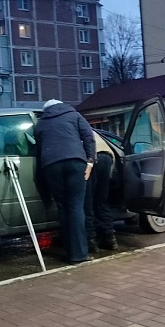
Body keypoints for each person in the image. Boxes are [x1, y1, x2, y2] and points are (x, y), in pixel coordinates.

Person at [35, 99, 95, 264]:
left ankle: (69, 253)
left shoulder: (40, 124)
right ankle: (79, 254)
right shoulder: (74, 115)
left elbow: (38, 149)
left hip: (51, 166)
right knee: (76, 206)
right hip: (75, 162)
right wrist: (90, 161)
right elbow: (88, 137)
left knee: (63, 208)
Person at [85, 130, 117, 252]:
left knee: (87, 202)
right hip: (107, 156)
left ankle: (90, 241)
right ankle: (109, 238)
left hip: (91, 159)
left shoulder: (68, 124)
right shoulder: (81, 123)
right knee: (101, 201)